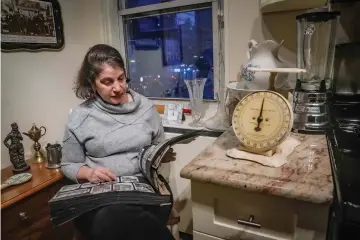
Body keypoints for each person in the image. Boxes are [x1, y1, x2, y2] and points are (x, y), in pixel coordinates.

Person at [61, 44, 176, 240]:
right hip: (99, 199)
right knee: (111, 218)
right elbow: (68, 165)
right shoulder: (80, 116)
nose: (118, 87)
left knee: (120, 220)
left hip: (143, 193)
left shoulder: (146, 109)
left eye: (121, 78)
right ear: (92, 82)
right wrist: (89, 173)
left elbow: (159, 146)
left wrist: (161, 155)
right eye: (107, 82)